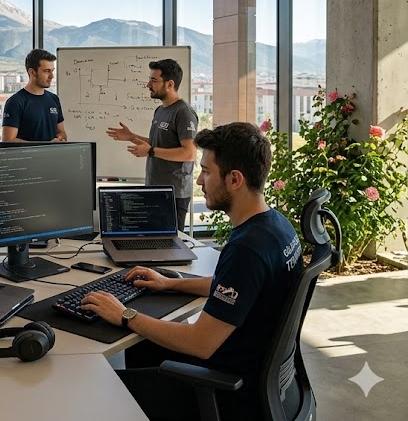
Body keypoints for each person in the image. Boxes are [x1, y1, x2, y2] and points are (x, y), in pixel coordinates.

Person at [81, 122, 303, 421]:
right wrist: (170, 284)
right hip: (258, 376)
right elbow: (237, 287)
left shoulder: (247, 249)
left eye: (207, 172)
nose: (199, 180)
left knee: (96, 390)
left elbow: (200, 342)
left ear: (234, 179)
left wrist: (125, 314)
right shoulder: (276, 226)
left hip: (229, 392)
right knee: (143, 347)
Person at [106, 58, 198, 230]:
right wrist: (132, 137)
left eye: (154, 80)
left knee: (170, 243)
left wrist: (150, 152)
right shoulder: (160, 110)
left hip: (173, 195)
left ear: (169, 84)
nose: (148, 85)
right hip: (154, 190)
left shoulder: (184, 113)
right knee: (153, 239)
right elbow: (157, 144)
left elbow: (190, 153)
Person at [1, 48, 67, 142]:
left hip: (52, 152)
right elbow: (8, 140)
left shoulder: (54, 99)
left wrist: (60, 139)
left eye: (52, 71)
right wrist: (43, 147)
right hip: (32, 153)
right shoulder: (16, 102)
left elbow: (61, 132)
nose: (52, 76)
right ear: (32, 72)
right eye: (46, 71)